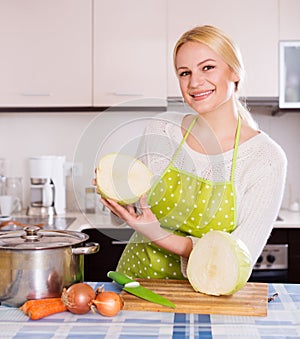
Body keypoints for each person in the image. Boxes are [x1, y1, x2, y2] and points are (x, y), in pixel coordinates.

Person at [100, 25, 287, 280]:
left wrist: (160, 235)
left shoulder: (265, 159)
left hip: (208, 297)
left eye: (207, 67)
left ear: (234, 71)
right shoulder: (162, 129)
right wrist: (117, 197)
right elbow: (136, 209)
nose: (195, 82)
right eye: (184, 72)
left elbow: (239, 257)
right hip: (134, 284)